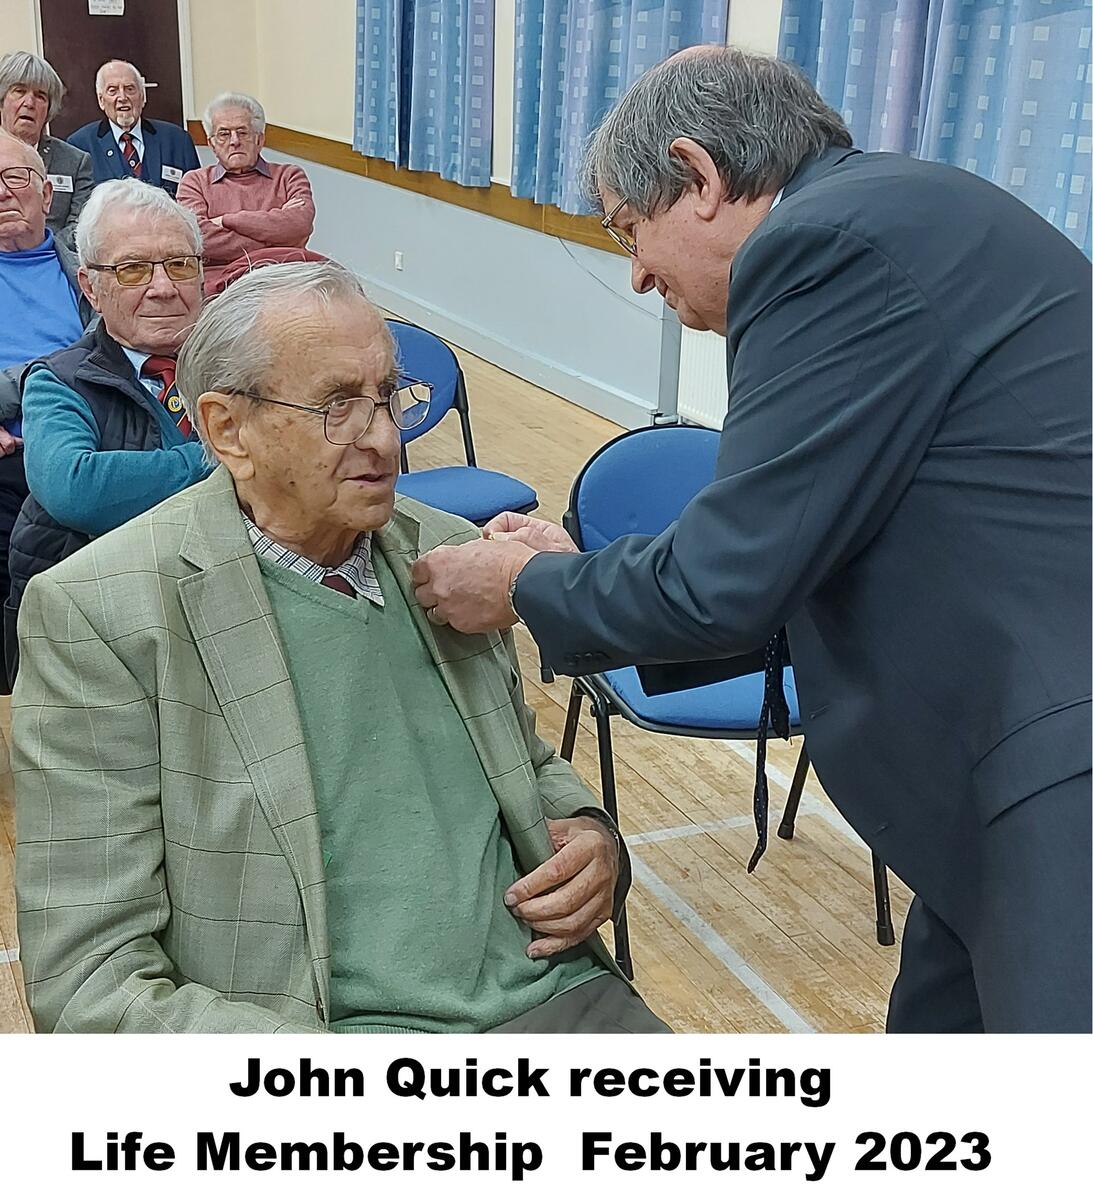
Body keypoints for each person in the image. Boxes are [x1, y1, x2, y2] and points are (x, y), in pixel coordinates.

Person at [411, 47, 1093, 1035]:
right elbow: (806, 543)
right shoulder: (900, 212)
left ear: (697, 176)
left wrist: (520, 585)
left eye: (626, 228)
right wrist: (576, 572)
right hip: (1002, 777)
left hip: (1050, 772)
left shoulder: (822, 247)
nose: (637, 273)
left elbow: (726, 581)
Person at [12, 260, 667, 1036]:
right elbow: (90, 984)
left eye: (387, 396)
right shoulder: (103, 613)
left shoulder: (450, 560)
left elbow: (520, 764)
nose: (385, 438)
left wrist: (590, 836)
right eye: (337, 406)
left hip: (555, 994)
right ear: (228, 429)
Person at [3, 176, 211, 684]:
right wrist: (218, 459)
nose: (163, 288)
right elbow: (74, 486)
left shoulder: (238, 365)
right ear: (91, 288)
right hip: (94, 621)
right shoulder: (57, 379)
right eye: (133, 269)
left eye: (180, 264)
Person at [0, 130, 94, 691]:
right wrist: (48, 377)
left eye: (14, 178)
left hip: (86, 442)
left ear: (44, 192)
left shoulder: (87, 271)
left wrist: (35, 382)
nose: (3, 193)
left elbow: (107, 361)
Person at [177, 91, 317, 295]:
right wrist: (280, 241)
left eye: (243, 132)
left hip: (284, 278)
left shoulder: (289, 176)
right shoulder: (194, 182)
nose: (234, 141)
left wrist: (226, 220)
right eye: (224, 134)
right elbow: (199, 239)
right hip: (222, 287)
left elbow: (300, 224)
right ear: (212, 144)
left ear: (259, 139)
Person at [0, 51, 93, 251]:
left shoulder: (76, 162)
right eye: (19, 91)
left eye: (40, 96)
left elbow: (81, 225)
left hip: (54, 261)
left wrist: (43, 248)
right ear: (2, 100)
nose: (29, 103)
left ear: (49, 110)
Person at [67, 60, 198, 197]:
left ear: (142, 97)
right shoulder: (79, 145)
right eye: (113, 91)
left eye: (130, 89)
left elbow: (194, 199)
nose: (123, 97)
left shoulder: (177, 140)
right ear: (101, 100)